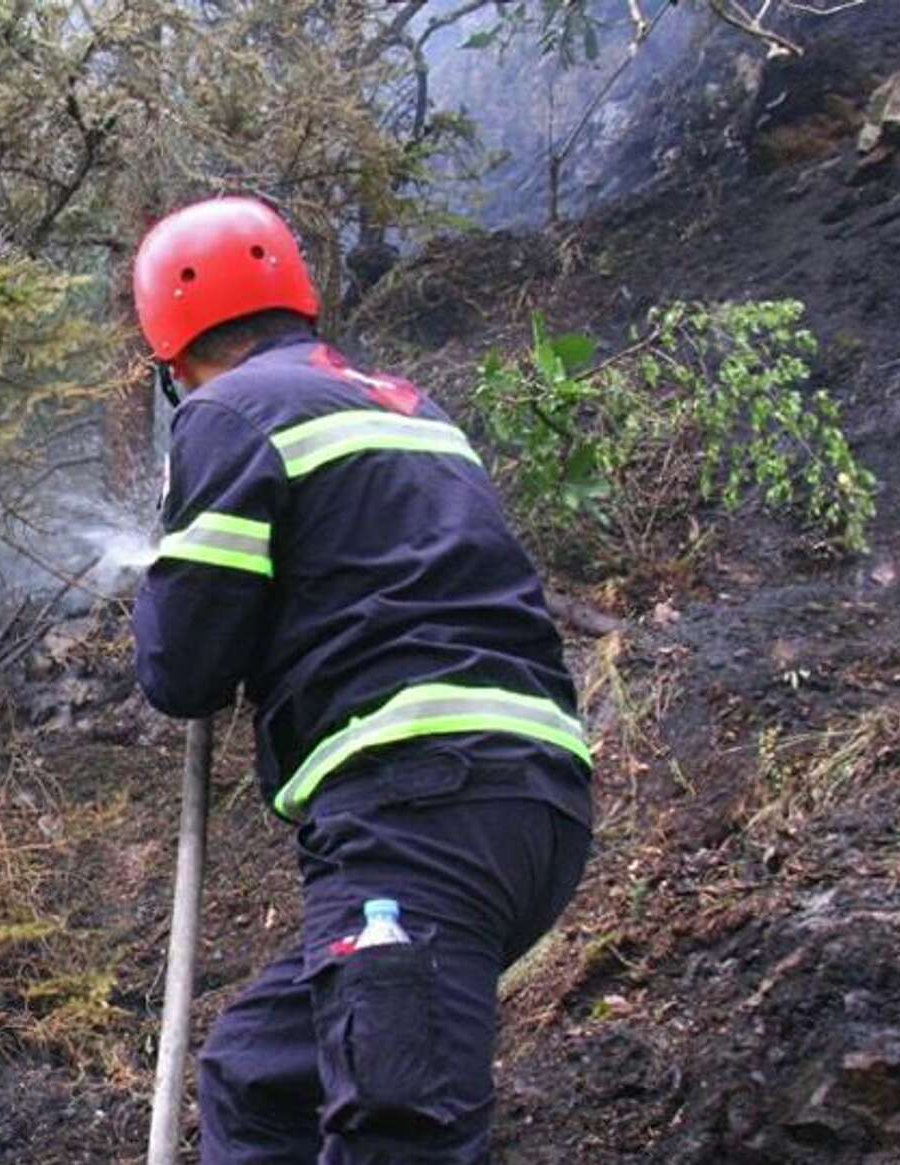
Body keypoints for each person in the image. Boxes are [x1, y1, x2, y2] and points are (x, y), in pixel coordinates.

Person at [129, 195, 594, 1164]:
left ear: (172, 360)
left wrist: (167, 564)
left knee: (396, 1124)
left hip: (415, 809)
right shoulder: (405, 404)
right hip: (532, 808)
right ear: (300, 304)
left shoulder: (225, 413)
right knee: (258, 1080)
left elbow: (182, 669)